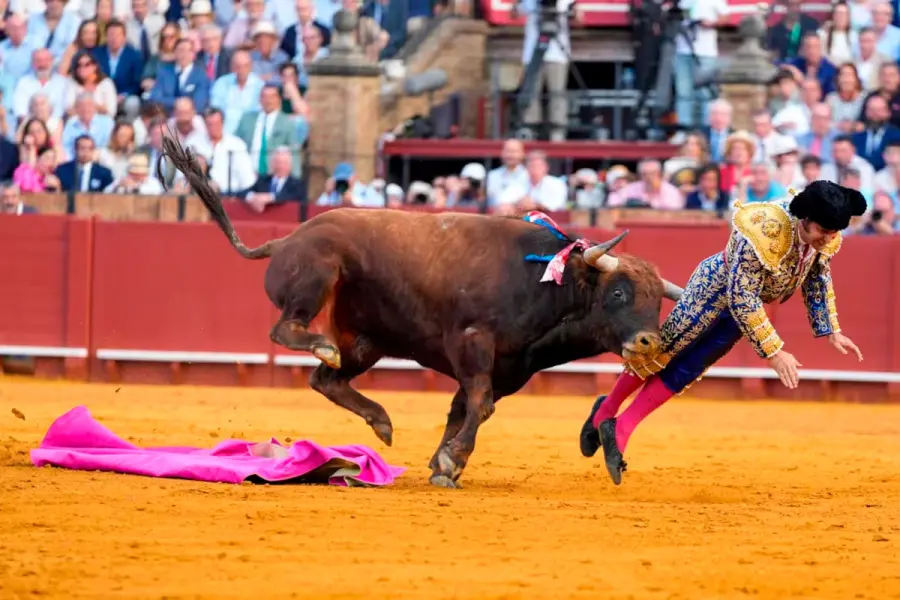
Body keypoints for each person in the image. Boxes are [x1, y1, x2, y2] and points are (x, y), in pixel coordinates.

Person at [579, 181, 867, 485]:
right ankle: (606, 410)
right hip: (713, 291)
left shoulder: (824, 236)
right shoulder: (763, 228)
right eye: (823, 231)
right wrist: (774, 351)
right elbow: (743, 296)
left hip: (743, 310)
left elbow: (817, 277)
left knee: (689, 369)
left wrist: (831, 329)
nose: (827, 239)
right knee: (663, 351)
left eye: (833, 234)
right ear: (804, 219)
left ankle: (621, 427)